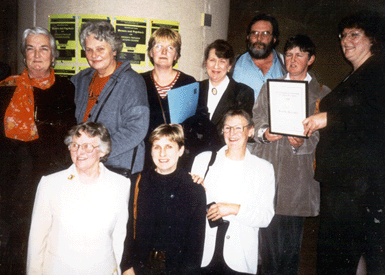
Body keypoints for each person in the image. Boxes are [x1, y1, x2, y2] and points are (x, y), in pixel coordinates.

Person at [0, 26, 76, 274]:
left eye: (44, 49)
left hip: (52, 181)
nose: (37, 54)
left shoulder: (66, 89)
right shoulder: (5, 89)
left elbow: (70, 135)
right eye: (31, 48)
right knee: (15, 244)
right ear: (24, 55)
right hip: (14, 185)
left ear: (53, 55)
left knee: (50, 243)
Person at [303, 11, 385, 274]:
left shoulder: (381, 68)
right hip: (345, 184)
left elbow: (379, 117)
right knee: (340, 257)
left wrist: (328, 117)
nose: (346, 40)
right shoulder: (358, 73)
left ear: (373, 39)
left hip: (358, 187)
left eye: (355, 34)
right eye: (343, 35)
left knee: (340, 257)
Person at [251, 35, 331, 275]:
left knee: (289, 251)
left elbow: (323, 138)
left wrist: (300, 143)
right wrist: (265, 133)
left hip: (297, 182)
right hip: (267, 176)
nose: (292, 59)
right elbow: (256, 120)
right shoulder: (270, 86)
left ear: (311, 59)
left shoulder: (322, 94)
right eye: (288, 54)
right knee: (267, 251)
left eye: (299, 55)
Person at [27, 121, 129, 274]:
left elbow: (119, 238)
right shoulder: (50, 184)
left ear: (102, 151)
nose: (79, 152)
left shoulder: (121, 184)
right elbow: (37, 241)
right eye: (75, 145)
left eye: (88, 146)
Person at [191, 109, 275, 274]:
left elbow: (265, 217)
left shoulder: (264, 169)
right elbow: (188, 209)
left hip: (240, 254)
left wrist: (233, 209)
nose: (232, 133)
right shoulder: (203, 160)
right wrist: (195, 192)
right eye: (227, 128)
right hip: (203, 250)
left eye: (238, 128)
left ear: (250, 131)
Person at [121, 124, 206, 274]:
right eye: (157, 147)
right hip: (139, 268)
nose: (162, 154)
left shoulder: (194, 189)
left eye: (169, 147)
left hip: (177, 270)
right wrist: (127, 267)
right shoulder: (137, 183)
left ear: (180, 150)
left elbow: (195, 245)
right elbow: (126, 228)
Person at [71, 20, 149, 179]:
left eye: (100, 49)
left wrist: (98, 150)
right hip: (83, 166)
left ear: (114, 50)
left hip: (117, 168)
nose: (94, 55)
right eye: (89, 50)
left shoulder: (132, 82)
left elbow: (136, 128)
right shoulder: (79, 80)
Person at [142, 27, 196, 168]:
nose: (164, 52)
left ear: (176, 55)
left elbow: (198, 121)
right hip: (147, 157)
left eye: (170, 47)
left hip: (178, 159)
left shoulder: (188, 83)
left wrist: (183, 129)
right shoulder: (139, 82)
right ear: (150, 52)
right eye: (158, 46)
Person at [198, 39, 255, 133]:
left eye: (222, 61)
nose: (216, 66)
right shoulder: (196, 88)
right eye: (212, 60)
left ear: (229, 66)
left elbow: (240, 131)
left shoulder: (243, 92)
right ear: (205, 63)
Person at [232, 13, 286, 99]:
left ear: (274, 39)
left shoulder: (286, 64)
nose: (259, 38)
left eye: (265, 34)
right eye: (254, 33)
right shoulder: (233, 65)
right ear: (248, 37)